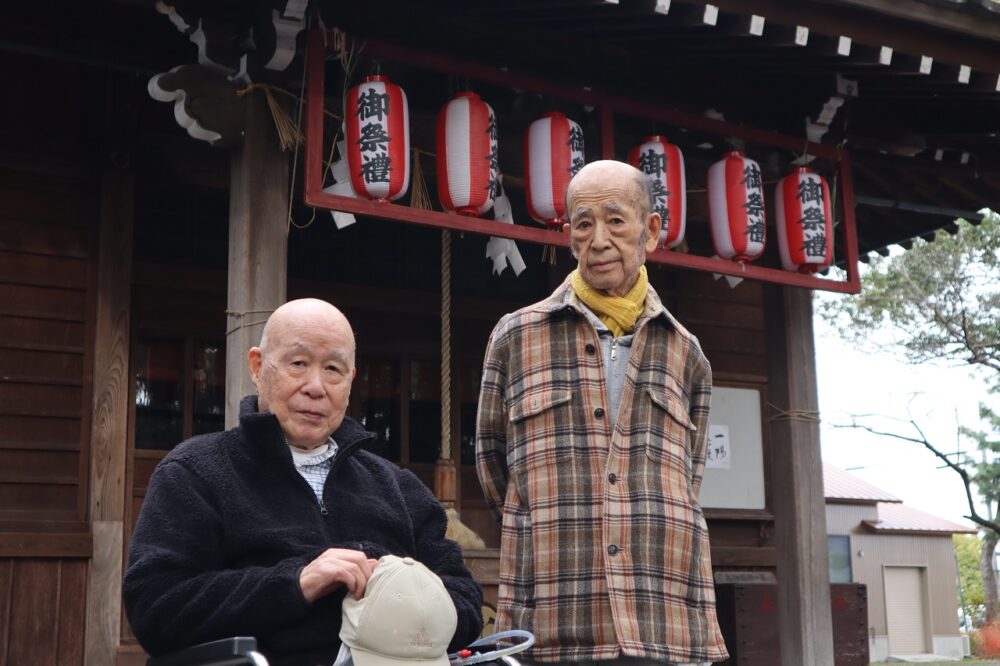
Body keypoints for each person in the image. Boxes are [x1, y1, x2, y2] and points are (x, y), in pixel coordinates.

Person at [124, 298, 483, 666]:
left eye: (333, 369)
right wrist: (298, 582)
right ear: (258, 366)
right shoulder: (195, 472)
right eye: (298, 364)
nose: (316, 387)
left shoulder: (399, 488)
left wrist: (399, 594)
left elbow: (467, 603)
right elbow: (155, 607)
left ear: (350, 381)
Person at [475, 161, 729, 666]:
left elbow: (690, 474)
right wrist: (551, 523)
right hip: (551, 609)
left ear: (651, 231)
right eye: (583, 223)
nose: (599, 239)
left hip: (661, 616)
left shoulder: (686, 352)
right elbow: (491, 463)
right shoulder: (515, 336)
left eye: (616, 220)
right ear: (568, 236)